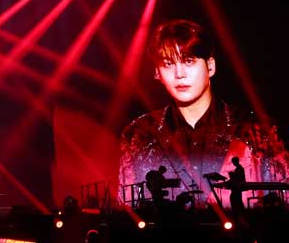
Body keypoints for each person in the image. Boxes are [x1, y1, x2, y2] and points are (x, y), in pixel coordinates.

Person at [119, 18, 289, 209]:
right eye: (168, 64)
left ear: (210, 66)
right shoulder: (138, 135)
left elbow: (283, 203)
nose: (179, 74)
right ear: (157, 73)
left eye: (189, 61)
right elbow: (127, 210)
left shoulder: (259, 131)